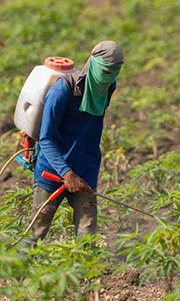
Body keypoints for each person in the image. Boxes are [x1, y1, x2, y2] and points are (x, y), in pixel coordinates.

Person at [30, 40, 123, 242]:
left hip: (85, 170)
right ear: (93, 63)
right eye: (106, 71)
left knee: (87, 235)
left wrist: (78, 174)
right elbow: (46, 138)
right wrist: (66, 172)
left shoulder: (108, 87)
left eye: (115, 71)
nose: (109, 77)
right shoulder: (62, 91)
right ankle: (19, 271)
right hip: (52, 171)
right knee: (36, 232)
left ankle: (85, 273)